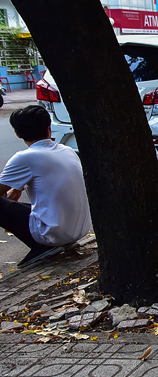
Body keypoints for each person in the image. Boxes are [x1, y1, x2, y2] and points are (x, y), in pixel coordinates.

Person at [0, 105, 91, 268]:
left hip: (54, 233)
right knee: (15, 203)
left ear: (17, 134)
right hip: (79, 229)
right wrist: (17, 188)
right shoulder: (67, 150)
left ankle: (42, 245)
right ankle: (50, 242)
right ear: (48, 128)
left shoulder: (24, 157)